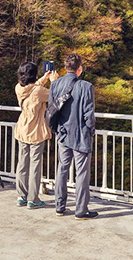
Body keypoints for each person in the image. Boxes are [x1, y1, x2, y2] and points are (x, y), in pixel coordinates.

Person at [49, 53, 97, 219]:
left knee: (62, 169)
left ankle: (59, 206)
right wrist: (91, 131)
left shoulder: (55, 84)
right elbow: (89, 114)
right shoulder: (86, 86)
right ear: (79, 68)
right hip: (81, 136)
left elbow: (52, 109)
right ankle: (81, 210)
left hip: (63, 133)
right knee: (81, 173)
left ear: (65, 67)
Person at [14, 62, 57, 209]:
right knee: (35, 166)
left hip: (22, 129)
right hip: (36, 131)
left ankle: (21, 196)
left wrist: (44, 78)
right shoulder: (39, 91)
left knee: (22, 164)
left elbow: (33, 88)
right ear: (34, 75)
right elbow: (54, 95)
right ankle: (33, 199)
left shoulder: (19, 88)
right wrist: (54, 81)